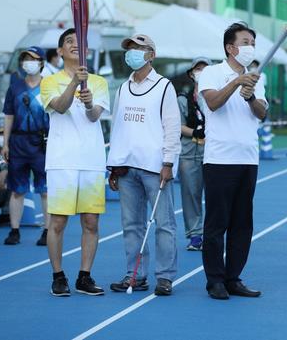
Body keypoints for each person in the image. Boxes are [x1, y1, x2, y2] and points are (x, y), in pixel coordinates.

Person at [107, 34, 181, 296]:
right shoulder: (122, 88)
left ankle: (165, 277)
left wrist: (168, 162)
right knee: (131, 225)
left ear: (151, 54)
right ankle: (135, 275)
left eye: (138, 49)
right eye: (130, 49)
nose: (132, 53)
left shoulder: (164, 87)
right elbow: (118, 127)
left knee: (164, 224)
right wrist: (113, 166)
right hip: (126, 168)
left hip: (154, 167)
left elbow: (172, 127)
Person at [199, 22, 267, 300]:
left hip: (248, 158)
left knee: (242, 224)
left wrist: (250, 97)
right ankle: (214, 279)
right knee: (217, 223)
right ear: (230, 47)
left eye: (253, 42)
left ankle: (233, 277)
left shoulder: (257, 77)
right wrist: (236, 82)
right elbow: (213, 103)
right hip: (219, 159)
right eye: (245, 41)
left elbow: (261, 113)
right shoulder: (211, 73)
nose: (250, 47)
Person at [40, 28, 110, 297]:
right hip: (62, 161)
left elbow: (94, 117)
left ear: (87, 50)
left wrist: (91, 102)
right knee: (57, 222)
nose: (75, 45)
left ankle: (85, 276)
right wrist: (75, 84)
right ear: (59, 51)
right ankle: (58, 276)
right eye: (69, 42)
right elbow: (58, 106)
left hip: (91, 160)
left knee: (91, 222)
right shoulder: (49, 81)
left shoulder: (99, 82)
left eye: (79, 42)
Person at [2, 46, 50, 246]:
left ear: (41, 63)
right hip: (19, 143)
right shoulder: (15, 88)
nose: (28, 62)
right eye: (25, 59)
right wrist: (5, 143)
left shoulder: (49, 86)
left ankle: (47, 231)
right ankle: (14, 230)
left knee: (45, 190)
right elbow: (8, 116)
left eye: (33, 58)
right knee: (17, 190)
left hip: (42, 143)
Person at [178, 56, 212, 251]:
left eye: (205, 69)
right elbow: (178, 125)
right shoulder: (182, 99)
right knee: (191, 194)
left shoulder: (216, 95)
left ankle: (213, 232)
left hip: (213, 151)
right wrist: (195, 132)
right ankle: (195, 235)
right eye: (197, 69)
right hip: (189, 151)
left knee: (215, 194)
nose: (201, 73)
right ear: (191, 74)